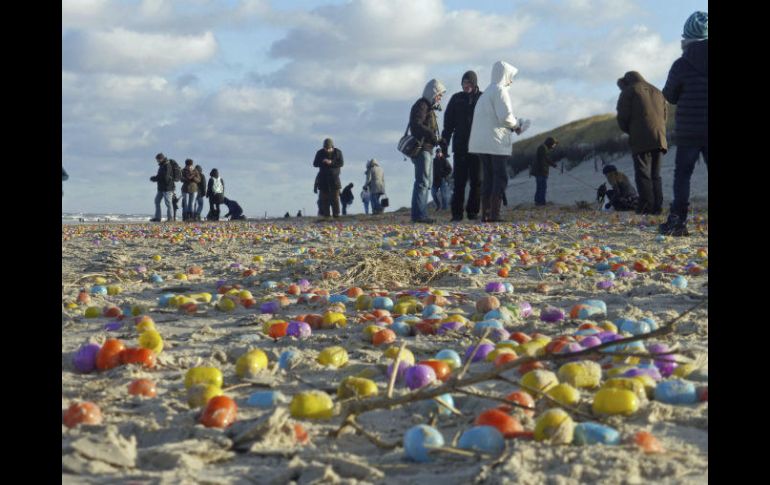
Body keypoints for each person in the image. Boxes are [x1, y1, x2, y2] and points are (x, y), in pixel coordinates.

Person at [660, 11, 708, 237]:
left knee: (683, 175)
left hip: (689, 130)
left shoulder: (681, 64)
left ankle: (678, 220)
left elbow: (669, 95)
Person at [468, 61, 525, 222]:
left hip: (480, 143)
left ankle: (485, 214)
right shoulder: (500, 91)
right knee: (500, 177)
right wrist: (517, 125)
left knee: (488, 177)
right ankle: (494, 214)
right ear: (504, 76)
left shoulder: (486, 93)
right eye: (510, 77)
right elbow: (505, 117)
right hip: (495, 142)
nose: (511, 81)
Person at [616, 71, 668, 215]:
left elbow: (622, 117)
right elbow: (665, 116)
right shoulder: (657, 91)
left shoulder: (629, 91)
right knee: (656, 175)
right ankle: (658, 207)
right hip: (660, 137)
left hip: (640, 137)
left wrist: (632, 130)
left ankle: (646, 207)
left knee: (643, 173)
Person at [442, 71, 483, 221]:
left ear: (474, 83)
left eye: (469, 83)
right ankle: (457, 213)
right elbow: (448, 125)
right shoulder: (456, 99)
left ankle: (473, 212)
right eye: (464, 83)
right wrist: (444, 144)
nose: (466, 86)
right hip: (460, 147)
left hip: (478, 147)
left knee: (476, 181)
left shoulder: (483, 98)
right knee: (459, 182)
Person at [409, 79, 447, 223]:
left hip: (428, 148)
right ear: (433, 93)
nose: (440, 98)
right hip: (422, 149)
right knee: (423, 182)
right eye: (439, 95)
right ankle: (419, 215)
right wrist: (433, 136)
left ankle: (420, 214)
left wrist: (438, 140)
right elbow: (416, 125)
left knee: (425, 182)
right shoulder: (422, 105)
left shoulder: (428, 107)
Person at [313, 138, 344, 218]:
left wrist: (331, 162)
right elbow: (315, 164)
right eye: (325, 148)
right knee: (324, 199)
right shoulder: (319, 153)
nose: (327, 150)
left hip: (334, 179)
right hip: (323, 179)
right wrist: (322, 161)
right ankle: (326, 216)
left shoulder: (338, 152)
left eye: (328, 148)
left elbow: (341, 163)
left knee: (335, 199)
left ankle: (336, 215)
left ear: (332, 147)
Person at [530, 137, 559, 206]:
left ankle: (538, 202)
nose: (554, 146)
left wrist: (553, 165)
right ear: (550, 143)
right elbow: (544, 160)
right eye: (553, 144)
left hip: (540, 171)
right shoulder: (543, 148)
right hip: (540, 171)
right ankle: (541, 203)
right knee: (542, 187)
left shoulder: (544, 148)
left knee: (541, 187)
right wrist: (545, 171)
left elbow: (546, 159)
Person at [149, 153, 174, 222]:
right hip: (161, 188)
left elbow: (165, 177)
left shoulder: (167, 165)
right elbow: (161, 176)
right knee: (157, 201)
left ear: (161, 159)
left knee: (168, 203)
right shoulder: (162, 165)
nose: (157, 161)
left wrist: (155, 178)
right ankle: (158, 217)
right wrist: (155, 178)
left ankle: (170, 218)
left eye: (157, 160)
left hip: (167, 188)